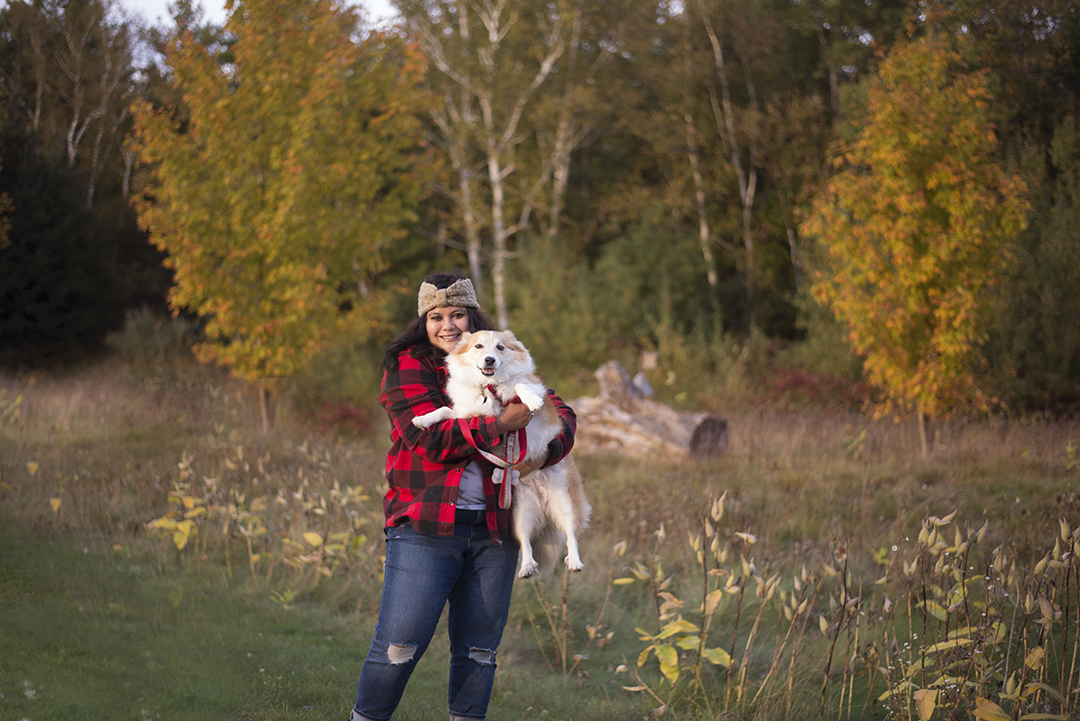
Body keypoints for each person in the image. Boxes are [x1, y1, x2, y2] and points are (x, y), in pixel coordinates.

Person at [349, 272, 577, 721]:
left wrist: (547, 447)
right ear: (424, 321)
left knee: (478, 651)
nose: (448, 325)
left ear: (471, 315)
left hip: (495, 529)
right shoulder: (409, 363)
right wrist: (501, 425)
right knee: (400, 644)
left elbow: (559, 410)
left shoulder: (495, 352)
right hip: (426, 525)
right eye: (436, 316)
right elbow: (427, 440)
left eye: (457, 314)